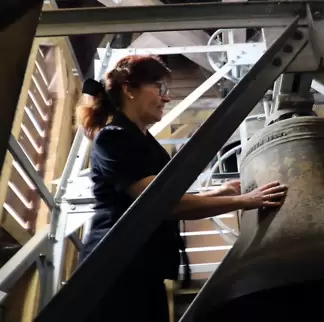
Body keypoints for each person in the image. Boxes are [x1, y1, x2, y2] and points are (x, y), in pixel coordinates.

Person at [76, 54, 287, 322]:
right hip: (114, 265)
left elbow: (165, 198)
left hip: (141, 266)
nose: (166, 98)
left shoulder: (142, 141)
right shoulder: (113, 138)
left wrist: (220, 193)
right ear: (129, 90)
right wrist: (245, 201)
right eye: (159, 88)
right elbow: (159, 203)